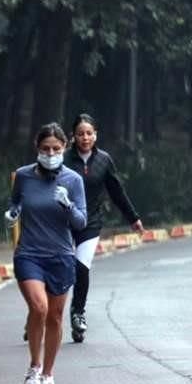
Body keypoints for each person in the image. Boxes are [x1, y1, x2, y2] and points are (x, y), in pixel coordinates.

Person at [6, 123, 87, 384]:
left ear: (64, 148)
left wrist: (68, 205)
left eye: (55, 149)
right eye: (45, 149)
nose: (50, 153)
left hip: (61, 256)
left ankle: (48, 375)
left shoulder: (73, 180)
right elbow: (15, 202)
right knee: (38, 307)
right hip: (29, 253)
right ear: (36, 148)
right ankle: (34, 366)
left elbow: (81, 221)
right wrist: (13, 213)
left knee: (54, 316)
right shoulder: (24, 176)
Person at [64, 113, 143, 342]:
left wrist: (133, 217)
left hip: (91, 222)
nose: (85, 138)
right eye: (80, 134)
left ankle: (78, 313)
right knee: (57, 267)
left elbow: (116, 191)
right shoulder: (64, 160)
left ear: (95, 135)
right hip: (64, 222)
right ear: (73, 137)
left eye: (89, 133)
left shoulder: (104, 160)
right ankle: (39, 314)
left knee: (81, 268)